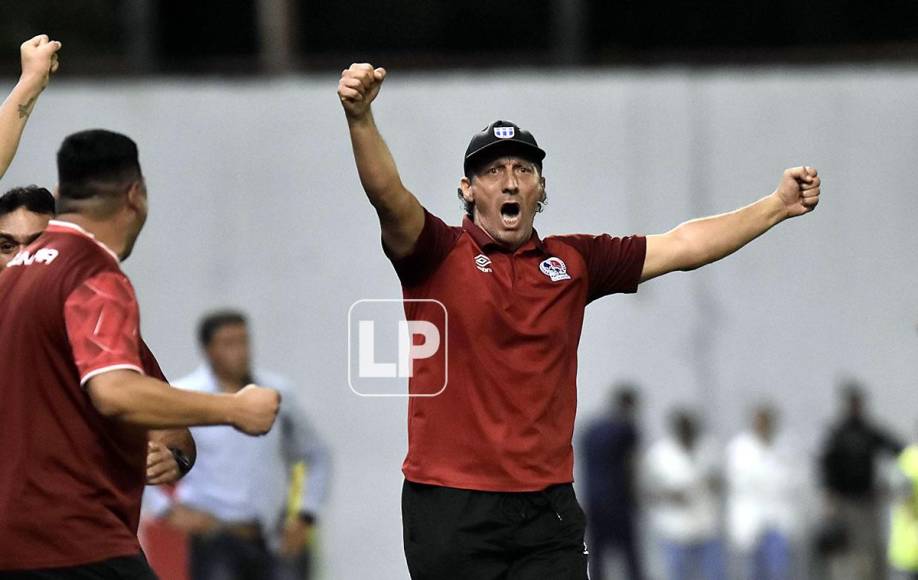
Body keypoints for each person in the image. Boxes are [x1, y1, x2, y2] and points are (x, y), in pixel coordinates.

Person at [338, 63, 821, 579]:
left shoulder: (573, 262)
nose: (510, 181)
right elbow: (388, 196)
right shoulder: (435, 252)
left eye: (523, 170)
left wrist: (775, 206)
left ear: (540, 188)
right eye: (493, 170)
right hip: (452, 505)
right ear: (467, 190)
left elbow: (683, 246)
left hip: (546, 510)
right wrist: (361, 118)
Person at [0, 128, 282, 577]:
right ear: (136, 197)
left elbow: (167, 429)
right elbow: (114, 391)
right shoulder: (91, 273)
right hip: (75, 542)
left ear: (60, 197)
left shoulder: (15, 286)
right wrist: (233, 408)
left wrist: (176, 454)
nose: (18, 252)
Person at [0, 40, 194, 491]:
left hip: (81, 538)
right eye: (6, 245)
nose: (22, 259)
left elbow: (174, 436)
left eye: (35, 245)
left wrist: (173, 457)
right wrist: (28, 85)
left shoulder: (87, 315)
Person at [144, 310, 331, 580]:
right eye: (229, 343)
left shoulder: (274, 393)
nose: (240, 351)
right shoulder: (186, 396)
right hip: (216, 536)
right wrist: (165, 510)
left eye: (244, 341)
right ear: (208, 350)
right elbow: (141, 455)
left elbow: (316, 454)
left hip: (271, 534)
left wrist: (306, 515)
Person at [819, 382, 903, 580]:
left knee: (868, 552)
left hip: (866, 501)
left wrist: (889, 485)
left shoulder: (869, 431)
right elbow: (826, 469)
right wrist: (828, 501)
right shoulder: (836, 433)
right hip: (843, 501)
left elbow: (898, 450)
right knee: (842, 553)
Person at [642, 410, 726, 580]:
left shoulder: (709, 448)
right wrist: (668, 495)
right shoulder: (659, 454)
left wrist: (712, 483)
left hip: (706, 525)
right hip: (674, 528)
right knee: (677, 574)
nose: (686, 432)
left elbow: (722, 480)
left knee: (713, 574)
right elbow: (647, 491)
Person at [725, 405, 802, 580]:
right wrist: (768, 482)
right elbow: (739, 482)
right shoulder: (739, 448)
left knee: (780, 571)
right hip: (752, 519)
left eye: (766, 422)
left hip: (779, 518)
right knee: (753, 571)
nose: (763, 426)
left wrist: (770, 482)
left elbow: (794, 479)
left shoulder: (788, 446)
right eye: (759, 422)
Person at [581, 384, 645, 580]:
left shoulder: (591, 429)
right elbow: (630, 466)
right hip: (619, 500)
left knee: (598, 556)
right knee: (630, 557)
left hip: (595, 500)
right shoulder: (627, 429)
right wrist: (637, 498)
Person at [888, 424, 918, 580]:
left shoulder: (907, 459)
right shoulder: (909, 461)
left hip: (907, 552)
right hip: (910, 552)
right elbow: (902, 499)